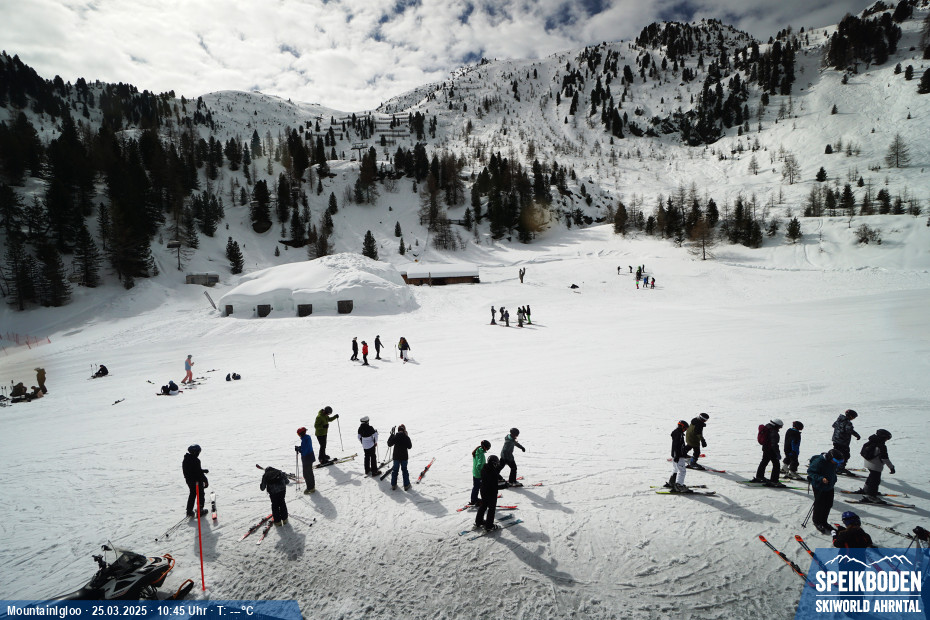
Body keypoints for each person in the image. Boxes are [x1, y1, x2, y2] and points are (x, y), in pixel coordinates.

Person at [808, 448, 843, 535]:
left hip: (829, 486)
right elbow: (810, 472)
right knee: (819, 504)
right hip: (819, 486)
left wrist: (834, 479)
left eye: (839, 461)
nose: (837, 463)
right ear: (830, 457)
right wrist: (821, 478)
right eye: (836, 461)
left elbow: (832, 472)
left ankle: (824, 522)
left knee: (828, 504)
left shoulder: (833, 463)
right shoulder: (819, 462)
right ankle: (817, 521)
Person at [856, 429, 895, 500]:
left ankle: (866, 490)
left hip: (868, 463)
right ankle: (871, 496)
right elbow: (885, 458)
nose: (887, 440)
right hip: (876, 465)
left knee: (871, 477)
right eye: (887, 439)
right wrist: (891, 467)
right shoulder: (881, 446)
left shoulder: (870, 441)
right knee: (875, 481)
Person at [752, 418, 786, 487]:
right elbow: (774, 444)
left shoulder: (767, 427)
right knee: (776, 465)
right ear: (776, 425)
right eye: (780, 427)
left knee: (764, 462)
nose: (780, 428)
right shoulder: (773, 432)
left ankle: (759, 477)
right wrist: (777, 453)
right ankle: (774, 481)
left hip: (765, 448)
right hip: (771, 450)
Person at [475, 455, 505, 531]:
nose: (497, 465)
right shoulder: (492, 472)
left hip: (483, 490)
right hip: (491, 492)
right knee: (491, 508)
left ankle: (479, 521)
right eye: (496, 463)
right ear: (493, 463)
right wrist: (504, 486)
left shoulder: (485, 468)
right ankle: (489, 526)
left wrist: (499, 476)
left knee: (484, 505)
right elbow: (494, 486)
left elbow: (494, 472)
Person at [182, 445, 209, 517]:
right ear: (195, 452)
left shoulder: (186, 459)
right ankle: (200, 510)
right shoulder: (196, 461)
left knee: (192, 494)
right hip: (197, 481)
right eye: (198, 452)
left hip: (189, 480)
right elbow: (198, 473)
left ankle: (189, 511)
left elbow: (194, 470)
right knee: (200, 494)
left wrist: (203, 470)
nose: (199, 453)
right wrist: (205, 480)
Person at [387, 424, 412, 490]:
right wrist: (407, 436)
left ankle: (393, 485)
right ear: (404, 430)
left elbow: (389, 444)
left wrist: (391, 435)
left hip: (396, 456)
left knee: (395, 470)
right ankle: (406, 485)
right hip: (404, 457)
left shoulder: (395, 436)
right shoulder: (405, 437)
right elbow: (410, 446)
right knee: (404, 470)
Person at [668, 419, 690, 492]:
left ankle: (672, 482)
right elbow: (677, 446)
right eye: (685, 428)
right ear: (682, 427)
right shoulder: (679, 435)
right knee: (682, 471)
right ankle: (679, 486)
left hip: (675, 455)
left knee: (676, 469)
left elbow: (678, 446)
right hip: (678, 456)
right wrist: (677, 456)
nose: (685, 430)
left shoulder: (677, 433)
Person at [471, 440, 491, 506]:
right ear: (484, 447)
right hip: (479, 475)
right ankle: (475, 500)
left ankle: (474, 499)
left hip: (475, 473)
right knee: (481, 487)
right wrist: (483, 472)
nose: (488, 449)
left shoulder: (477, 451)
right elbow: (479, 466)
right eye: (488, 448)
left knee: (476, 487)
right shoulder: (481, 455)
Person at [296, 427, 316, 494]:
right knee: (309, 472)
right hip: (310, 457)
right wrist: (300, 448)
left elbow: (304, 451)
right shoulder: (307, 437)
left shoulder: (304, 439)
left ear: (301, 434)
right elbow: (305, 447)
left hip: (307, 458)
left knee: (307, 474)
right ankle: (312, 486)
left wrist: (299, 449)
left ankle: (310, 488)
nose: (298, 435)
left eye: (298, 434)